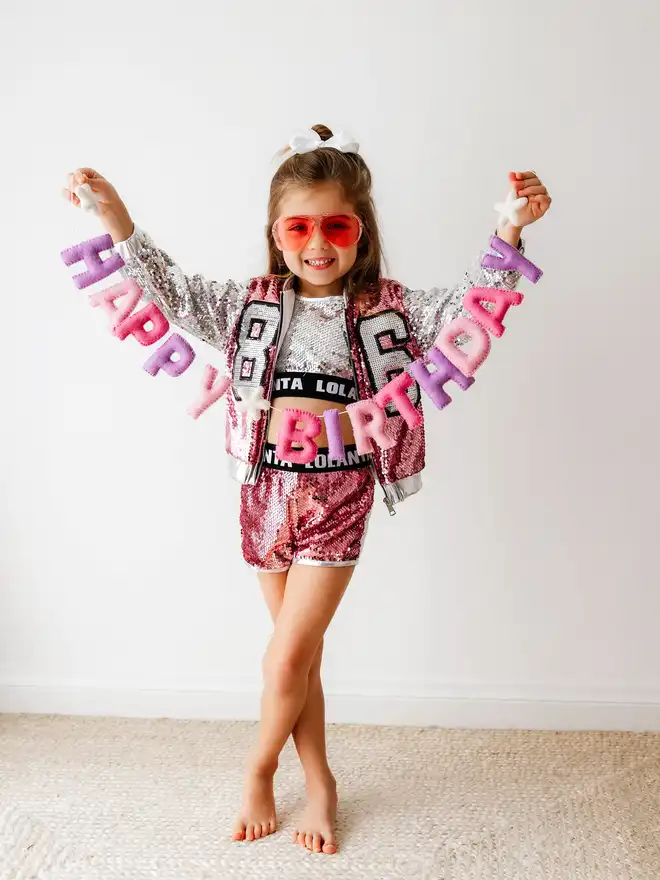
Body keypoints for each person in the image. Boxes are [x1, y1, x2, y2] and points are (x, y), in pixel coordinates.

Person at [62, 125, 551, 855]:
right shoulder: (245, 305)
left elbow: (471, 307)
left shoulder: (392, 307)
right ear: (276, 234)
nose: (318, 241)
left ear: (362, 231)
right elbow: (165, 286)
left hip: (339, 497)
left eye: (336, 224)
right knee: (306, 659)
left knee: (283, 660)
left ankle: (258, 770)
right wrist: (114, 215)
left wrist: (511, 226)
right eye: (299, 225)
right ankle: (320, 779)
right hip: (262, 493)